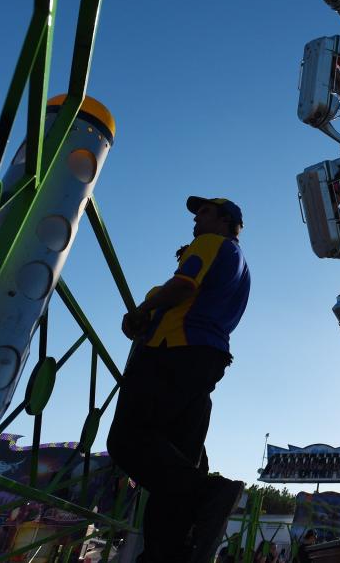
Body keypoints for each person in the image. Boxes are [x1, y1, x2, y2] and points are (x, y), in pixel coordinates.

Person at [107, 196, 252, 563]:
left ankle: (207, 493)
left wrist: (144, 309)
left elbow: (185, 285)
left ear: (224, 220)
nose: (195, 219)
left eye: (204, 211)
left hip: (173, 350)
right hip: (207, 360)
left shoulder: (210, 244)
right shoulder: (241, 266)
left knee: (128, 440)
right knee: (173, 462)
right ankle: (167, 552)